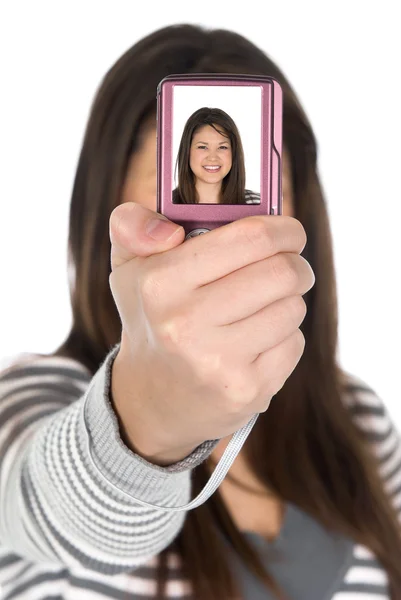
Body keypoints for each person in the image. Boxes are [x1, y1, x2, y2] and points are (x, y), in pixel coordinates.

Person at [0, 23, 400, 600]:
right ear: (110, 221)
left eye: (249, 195)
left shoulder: (358, 418)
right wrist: (146, 420)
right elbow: (51, 506)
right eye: (177, 205)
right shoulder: (26, 400)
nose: (219, 239)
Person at [172, 106, 260, 204]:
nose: (213, 157)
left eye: (222, 147)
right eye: (202, 147)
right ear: (187, 151)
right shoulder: (165, 206)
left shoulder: (257, 204)